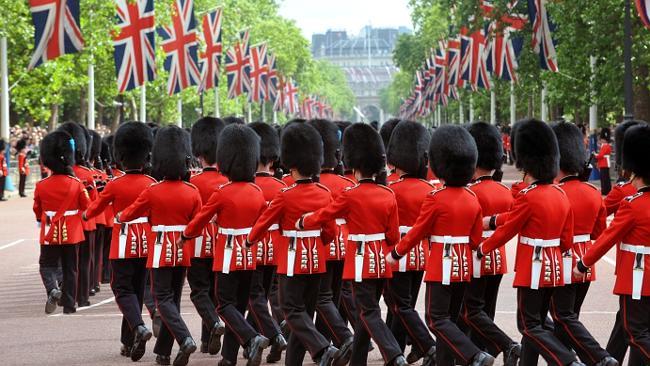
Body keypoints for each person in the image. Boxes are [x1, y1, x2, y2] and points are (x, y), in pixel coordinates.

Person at [300, 123, 407, 366]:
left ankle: (393, 353)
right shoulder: (387, 194)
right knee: (364, 313)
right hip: (381, 259)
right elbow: (393, 235)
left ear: (354, 164)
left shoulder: (351, 194)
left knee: (368, 312)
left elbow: (324, 215)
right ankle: (358, 359)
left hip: (360, 260)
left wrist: (303, 221)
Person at [478, 119, 581, 366]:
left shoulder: (528, 197)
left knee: (528, 324)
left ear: (527, 164)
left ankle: (568, 360)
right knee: (537, 321)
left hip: (533, 268)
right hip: (554, 267)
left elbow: (508, 230)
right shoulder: (560, 194)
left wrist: (483, 248)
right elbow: (567, 238)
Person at [387, 125, 493, 366]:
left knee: (436, 319)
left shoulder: (436, 199)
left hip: (441, 265)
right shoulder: (472, 198)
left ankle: (474, 354)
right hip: (463, 265)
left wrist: (396, 252)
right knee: (450, 321)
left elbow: (418, 231)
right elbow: (476, 238)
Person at [248, 122, 341, 366]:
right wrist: (319, 245)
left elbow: (263, 223)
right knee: (304, 315)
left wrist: (249, 241)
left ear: (291, 163)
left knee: (291, 311)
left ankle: (322, 347)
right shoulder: (323, 193)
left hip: (291, 261)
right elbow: (330, 231)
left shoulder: (285, 195)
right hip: (317, 261)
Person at [181, 124, 271, 366]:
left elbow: (200, 219)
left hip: (229, 255)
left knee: (223, 305)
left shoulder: (223, 192)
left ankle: (252, 338)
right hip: (250, 255)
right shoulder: (256, 191)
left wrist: (186, 235)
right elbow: (265, 219)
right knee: (237, 308)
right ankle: (228, 357)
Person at [117, 126, 199, 366]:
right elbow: (198, 220)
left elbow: (130, 214)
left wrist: (121, 215)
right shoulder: (192, 191)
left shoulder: (152, 190)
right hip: (183, 250)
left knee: (162, 299)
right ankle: (163, 353)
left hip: (161, 250)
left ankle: (184, 338)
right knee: (172, 301)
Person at [576, 123, 650, 365]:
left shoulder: (632, 203)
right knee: (632, 326)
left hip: (637, 278)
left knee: (635, 332)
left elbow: (608, 238)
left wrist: (583, 262)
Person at [82, 122, 155, 361]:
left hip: (123, 241)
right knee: (135, 290)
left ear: (122, 157)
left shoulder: (115, 184)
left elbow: (96, 207)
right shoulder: (151, 183)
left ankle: (139, 327)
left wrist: (84, 215)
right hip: (146, 242)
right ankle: (128, 340)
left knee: (122, 289)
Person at [549, 122, 617, 366]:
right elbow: (599, 232)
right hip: (586, 262)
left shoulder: (556, 193)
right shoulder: (592, 191)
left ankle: (600, 358)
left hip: (563, 260)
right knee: (567, 319)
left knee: (562, 317)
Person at [463, 122, 521, 366]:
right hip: (497, 256)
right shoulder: (504, 191)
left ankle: (507, 345)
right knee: (486, 310)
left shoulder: (471, 192)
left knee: (470, 311)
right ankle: (483, 352)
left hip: (476, 255)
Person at [384, 120, 437, 365]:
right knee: (406, 305)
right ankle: (396, 351)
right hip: (421, 253)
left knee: (399, 306)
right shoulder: (429, 189)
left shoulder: (391, 188)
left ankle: (427, 345)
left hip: (398, 252)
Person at [305, 118, 355, 363]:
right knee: (335, 296)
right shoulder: (347, 183)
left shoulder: (313, 185)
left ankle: (342, 339)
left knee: (321, 298)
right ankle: (330, 345)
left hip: (320, 246)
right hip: (344, 245)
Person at [601, 120, 647, 365]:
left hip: (634, 269)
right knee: (627, 321)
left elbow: (600, 219)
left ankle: (607, 359)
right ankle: (610, 358)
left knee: (634, 326)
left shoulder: (623, 192)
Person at [34, 130, 90, 315]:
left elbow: (37, 209)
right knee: (71, 268)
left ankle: (52, 289)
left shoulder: (41, 185)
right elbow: (87, 206)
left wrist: (40, 219)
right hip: (73, 231)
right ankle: (69, 305)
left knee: (47, 264)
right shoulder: (76, 183)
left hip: (50, 229)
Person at [247, 122, 288, 363]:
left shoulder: (249, 186)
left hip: (252, 246)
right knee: (271, 293)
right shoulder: (281, 187)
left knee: (254, 296)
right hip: (276, 247)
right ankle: (265, 338)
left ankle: (275, 335)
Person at [186, 117, 227, 355]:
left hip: (199, 241)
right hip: (222, 243)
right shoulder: (227, 182)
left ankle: (213, 324)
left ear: (199, 153)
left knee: (199, 291)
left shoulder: (193, 182)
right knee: (213, 292)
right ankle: (206, 340)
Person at [58, 122, 96, 308]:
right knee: (84, 261)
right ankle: (82, 296)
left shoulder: (58, 177)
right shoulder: (88, 175)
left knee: (66, 263)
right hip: (86, 223)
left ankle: (68, 297)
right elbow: (93, 201)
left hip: (65, 224)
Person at [594, 128, 612, 195]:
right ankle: (607, 190)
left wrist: (595, 155)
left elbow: (600, 155)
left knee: (604, 178)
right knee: (606, 178)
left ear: (604, 139)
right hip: (604, 163)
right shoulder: (606, 146)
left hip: (604, 164)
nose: (600, 141)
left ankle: (605, 191)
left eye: (601, 139)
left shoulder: (605, 146)